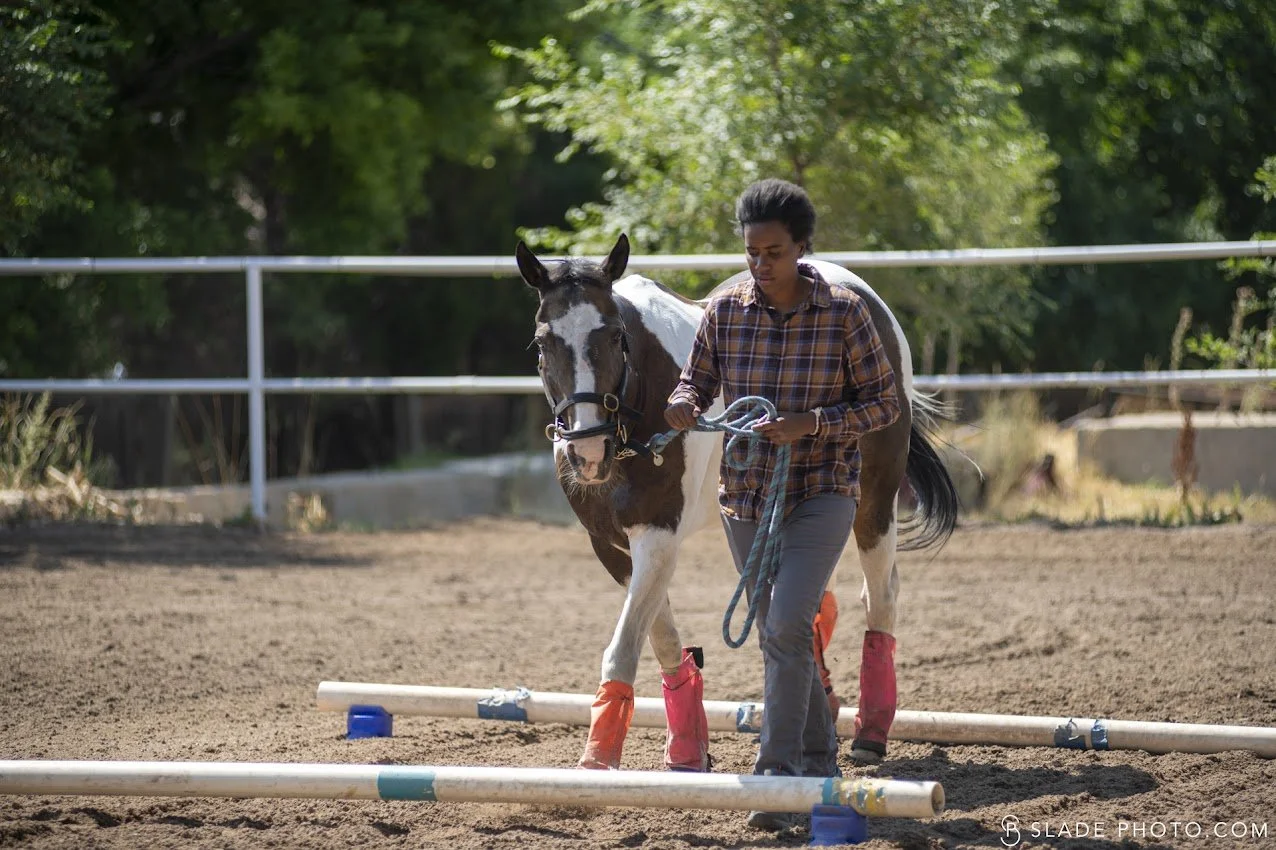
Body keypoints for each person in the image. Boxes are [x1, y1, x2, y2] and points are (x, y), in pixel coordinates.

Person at [664, 178, 900, 832]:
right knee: (785, 635)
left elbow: (884, 405)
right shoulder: (725, 311)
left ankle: (777, 774)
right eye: (751, 253)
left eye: (772, 253)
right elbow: (696, 381)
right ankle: (822, 757)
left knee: (786, 625)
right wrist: (682, 404)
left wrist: (814, 423)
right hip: (745, 496)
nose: (759, 266)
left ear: (802, 247)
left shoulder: (845, 312)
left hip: (822, 491)